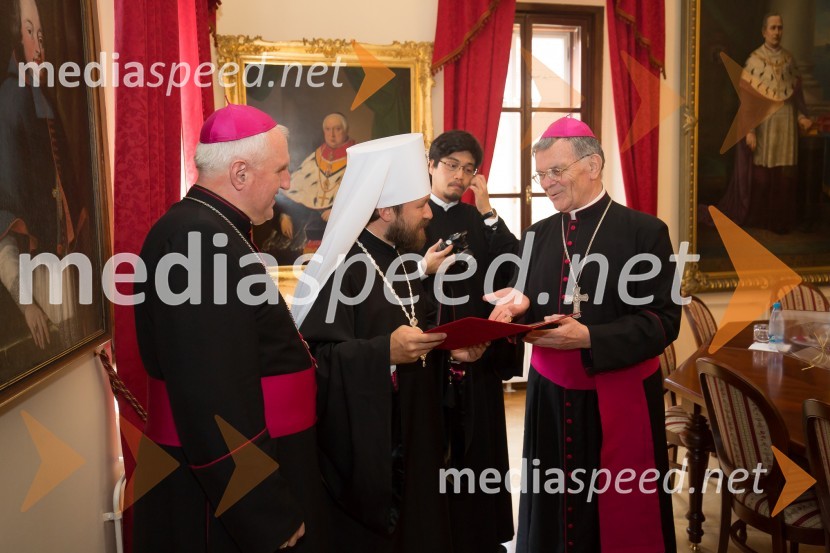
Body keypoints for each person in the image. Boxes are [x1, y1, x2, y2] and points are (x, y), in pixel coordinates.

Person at [133, 104, 327, 553]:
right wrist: (264, 511)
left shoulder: (212, 230)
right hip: (222, 495)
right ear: (240, 174)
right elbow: (213, 397)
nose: (286, 182)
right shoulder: (199, 242)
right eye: (280, 170)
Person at [490, 118, 680, 553]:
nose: (546, 184)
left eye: (556, 172)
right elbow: (538, 301)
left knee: (615, 511)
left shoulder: (644, 232)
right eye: (541, 175)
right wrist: (522, 305)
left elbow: (664, 321)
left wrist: (591, 337)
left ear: (593, 164)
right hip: (550, 400)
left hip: (616, 397)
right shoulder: (538, 234)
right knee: (552, 504)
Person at [293, 133, 486, 553]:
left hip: (416, 437)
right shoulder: (343, 268)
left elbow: (411, 338)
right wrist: (384, 353)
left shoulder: (396, 258)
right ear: (385, 210)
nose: (428, 215)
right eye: (420, 206)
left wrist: (451, 355)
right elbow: (315, 359)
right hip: (374, 459)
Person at [422, 130, 521, 553]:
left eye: (468, 169)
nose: (459, 176)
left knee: (479, 449)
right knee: (436, 449)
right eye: (451, 166)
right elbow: (390, 282)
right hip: (429, 360)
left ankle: (479, 536)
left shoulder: (476, 218)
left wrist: (488, 211)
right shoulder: (412, 215)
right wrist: (424, 269)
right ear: (431, 166)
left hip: (477, 355)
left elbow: (513, 265)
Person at [0, 0, 89, 358]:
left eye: (42, 35)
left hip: (57, 264)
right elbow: (4, 216)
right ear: (15, 38)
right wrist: (26, 304)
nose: (41, 47)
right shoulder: (10, 101)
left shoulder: (37, 94)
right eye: (31, 33)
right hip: (32, 274)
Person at [713, 13, 813, 234]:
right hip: (764, 122)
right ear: (763, 31)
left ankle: (781, 221)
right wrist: (749, 131)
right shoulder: (754, 60)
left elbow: (797, 98)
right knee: (762, 174)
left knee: (783, 174)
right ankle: (761, 220)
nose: (777, 32)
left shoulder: (789, 60)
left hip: (786, 122)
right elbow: (748, 103)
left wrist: (801, 117)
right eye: (773, 28)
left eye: (780, 28)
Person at [264, 113, 355, 264]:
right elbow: (294, 195)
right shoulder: (315, 158)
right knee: (278, 249)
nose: (332, 134)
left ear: (345, 130)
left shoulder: (356, 158)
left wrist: (337, 211)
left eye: (337, 129)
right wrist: (285, 214)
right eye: (328, 129)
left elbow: (361, 200)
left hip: (339, 231)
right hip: (307, 228)